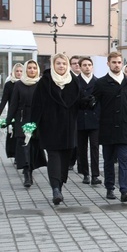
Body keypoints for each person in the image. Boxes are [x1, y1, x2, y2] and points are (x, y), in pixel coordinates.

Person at [30, 54, 82, 205]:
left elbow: (79, 102)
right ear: (52, 65)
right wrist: (33, 126)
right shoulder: (45, 82)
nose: (61, 66)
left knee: (65, 159)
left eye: (64, 64)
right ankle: (55, 189)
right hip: (50, 126)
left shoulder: (74, 81)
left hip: (68, 127)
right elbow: (36, 105)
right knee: (53, 157)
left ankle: (59, 186)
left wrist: (88, 102)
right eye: (58, 63)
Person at [93, 52, 127, 202]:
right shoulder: (101, 83)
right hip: (107, 128)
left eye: (119, 62)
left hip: (125, 128)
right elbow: (93, 101)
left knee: (124, 159)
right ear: (108, 64)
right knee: (109, 160)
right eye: (114, 62)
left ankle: (125, 190)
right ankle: (110, 187)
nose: (117, 65)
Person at [5, 60, 47, 188]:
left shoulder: (41, 84)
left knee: (33, 146)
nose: (32, 70)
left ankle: (31, 167)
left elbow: (46, 103)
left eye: (34, 68)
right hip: (22, 118)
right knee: (24, 145)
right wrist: (7, 121)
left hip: (37, 119)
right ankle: (27, 174)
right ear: (25, 70)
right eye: (29, 68)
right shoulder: (19, 84)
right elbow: (13, 104)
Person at [76, 57, 102, 185]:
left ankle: (95, 175)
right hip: (80, 119)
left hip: (94, 119)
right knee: (82, 148)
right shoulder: (75, 82)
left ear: (92, 67)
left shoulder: (97, 82)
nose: (87, 67)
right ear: (80, 67)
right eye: (84, 65)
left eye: (89, 65)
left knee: (95, 147)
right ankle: (85, 173)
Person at [0, 63, 23, 161]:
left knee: (21, 135)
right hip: (12, 113)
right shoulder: (9, 84)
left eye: (21, 71)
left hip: (23, 113)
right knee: (13, 135)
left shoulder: (26, 83)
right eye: (17, 71)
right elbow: (4, 100)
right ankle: (15, 155)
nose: (19, 73)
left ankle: (20, 157)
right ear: (13, 72)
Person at [68, 55, 81, 170]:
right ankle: (70, 161)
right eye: (74, 63)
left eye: (78, 63)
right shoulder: (68, 78)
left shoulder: (84, 78)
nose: (77, 65)